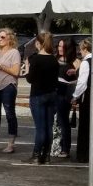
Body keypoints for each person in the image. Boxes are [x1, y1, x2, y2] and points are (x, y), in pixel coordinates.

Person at [23, 32, 60, 164]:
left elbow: (30, 79)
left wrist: (27, 66)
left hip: (38, 95)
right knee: (48, 126)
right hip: (51, 94)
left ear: (39, 43)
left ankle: (36, 155)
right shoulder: (53, 59)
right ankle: (47, 155)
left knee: (40, 128)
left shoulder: (36, 59)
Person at [72, 38, 93, 163]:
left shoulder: (86, 62)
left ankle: (83, 154)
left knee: (84, 126)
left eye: (80, 49)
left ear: (84, 48)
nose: (80, 52)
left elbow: (82, 83)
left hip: (87, 97)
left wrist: (75, 96)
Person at [55, 37, 78, 158]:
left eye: (62, 47)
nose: (60, 49)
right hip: (54, 93)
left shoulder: (75, 61)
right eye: (58, 46)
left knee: (63, 121)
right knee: (56, 121)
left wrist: (75, 72)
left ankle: (65, 148)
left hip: (66, 95)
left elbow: (81, 79)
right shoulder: (55, 59)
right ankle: (56, 146)